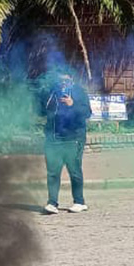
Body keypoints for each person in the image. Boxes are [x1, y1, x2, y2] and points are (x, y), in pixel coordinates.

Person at [39, 73, 92, 214]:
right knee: (53, 172)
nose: (62, 83)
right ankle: (52, 203)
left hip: (73, 138)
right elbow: (43, 111)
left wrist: (72, 104)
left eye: (65, 81)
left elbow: (87, 113)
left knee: (74, 171)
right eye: (60, 81)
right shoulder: (52, 93)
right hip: (54, 138)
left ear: (71, 80)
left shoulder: (79, 92)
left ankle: (79, 202)